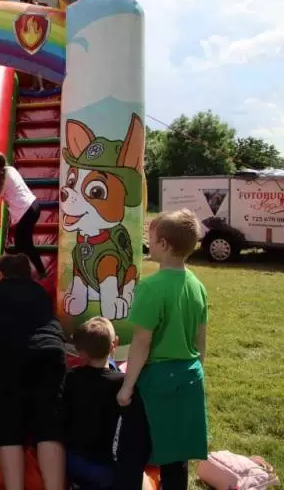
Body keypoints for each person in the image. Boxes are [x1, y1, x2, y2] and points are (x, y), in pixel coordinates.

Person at [115, 210, 209, 490]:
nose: (149, 244)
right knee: (176, 456)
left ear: (165, 244)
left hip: (155, 383)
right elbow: (201, 341)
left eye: (152, 240)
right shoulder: (197, 285)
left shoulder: (151, 287)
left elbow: (141, 342)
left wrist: (126, 387)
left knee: (131, 453)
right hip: (189, 377)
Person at [0, 254, 67, 490]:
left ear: (0, 274)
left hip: (11, 354)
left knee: (6, 424)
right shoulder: (40, 292)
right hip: (51, 351)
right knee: (49, 425)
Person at [64, 317, 123, 489]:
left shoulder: (72, 377)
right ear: (115, 344)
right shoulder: (122, 382)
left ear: (81, 352)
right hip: (105, 466)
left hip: (73, 460)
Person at [0, 151, 47, 278]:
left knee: (25, 246)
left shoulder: (0, 180)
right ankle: (29, 268)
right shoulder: (10, 169)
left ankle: (34, 272)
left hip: (26, 212)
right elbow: (1, 184)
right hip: (33, 206)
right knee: (22, 244)